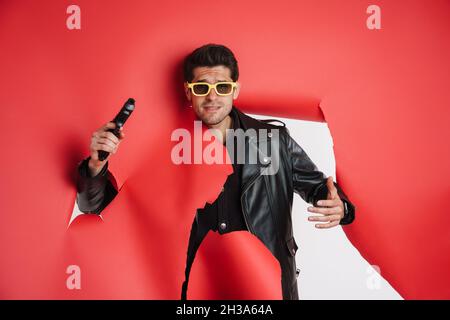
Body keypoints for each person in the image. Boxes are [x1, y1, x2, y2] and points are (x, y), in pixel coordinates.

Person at [76, 44, 355, 300]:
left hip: (265, 286)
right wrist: (96, 165)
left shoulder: (273, 141)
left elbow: (319, 188)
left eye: (222, 87)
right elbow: (96, 206)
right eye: (201, 88)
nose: (212, 96)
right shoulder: (162, 149)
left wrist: (339, 206)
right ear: (188, 92)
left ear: (235, 90)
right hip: (193, 289)